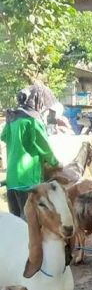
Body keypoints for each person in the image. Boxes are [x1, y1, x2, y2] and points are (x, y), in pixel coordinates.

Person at [1, 85, 60, 218]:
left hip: (12, 180)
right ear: (36, 100)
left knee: (16, 221)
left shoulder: (12, 119)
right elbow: (44, 147)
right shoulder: (33, 120)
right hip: (28, 180)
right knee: (30, 223)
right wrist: (56, 162)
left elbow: (4, 137)